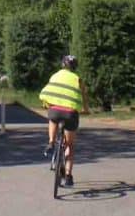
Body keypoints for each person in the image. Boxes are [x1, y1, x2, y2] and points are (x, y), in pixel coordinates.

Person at [39, 54, 90, 188]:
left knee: (52, 118)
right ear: (74, 67)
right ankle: (68, 176)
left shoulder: (55, 76)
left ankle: (50, 142)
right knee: (70, 145)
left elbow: (49, 91)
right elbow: (84, 95)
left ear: (62, 65)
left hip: (55, 110)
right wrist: (85, 109)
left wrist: (46, 104)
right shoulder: (78, 79)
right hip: (70, 114)